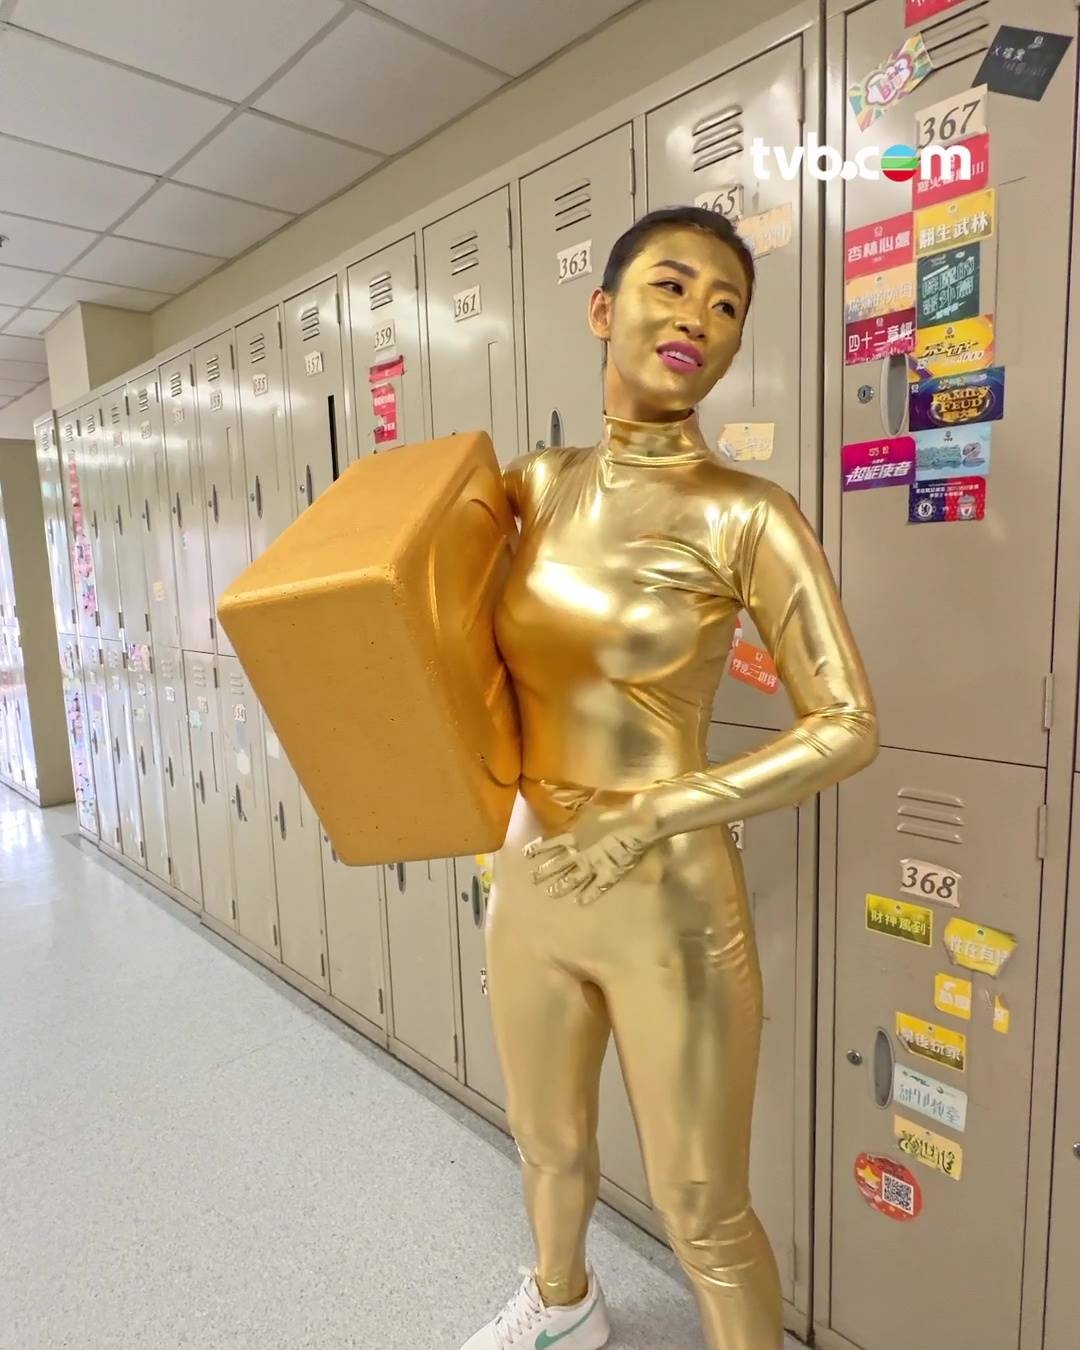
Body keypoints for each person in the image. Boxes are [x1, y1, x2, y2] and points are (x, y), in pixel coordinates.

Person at [461, 205, 878, 1350]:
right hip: (530, 876)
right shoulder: (534, 487)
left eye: (727, 305)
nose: (699, 316)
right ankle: (562, 1309)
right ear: (604, 310)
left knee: (701, 1207)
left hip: (667, 897)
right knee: (547, 1143)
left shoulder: (748, 515)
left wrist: (657, 810)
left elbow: (847, 725)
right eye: (673, 285)